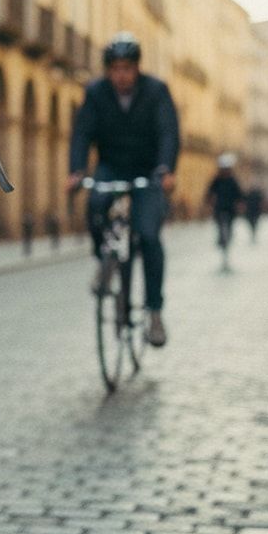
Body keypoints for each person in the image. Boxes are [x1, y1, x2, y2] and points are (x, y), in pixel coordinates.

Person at [68, 32, 179, 347]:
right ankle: (104, 260)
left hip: (148, 172)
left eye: (127, 68)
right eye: (115, 69)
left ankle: (155, 313)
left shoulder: (157, 92)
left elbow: (168, 132)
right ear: (107, 70)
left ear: (137, 68)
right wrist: (76, 171)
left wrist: (166, 169)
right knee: (96, 203)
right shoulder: (95, 93)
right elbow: (81, 134)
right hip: (111, 166)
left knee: (148, 235)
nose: (121, 75)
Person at [206, 153, 244, 256]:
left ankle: (227, 239)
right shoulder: (217, 180)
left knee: (230, 226)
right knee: (219, 226)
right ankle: (221, 239)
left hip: (230, 208)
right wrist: (209, 202)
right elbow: (209, 192)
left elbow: (239, 194)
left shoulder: (233, 181)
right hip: (219, 207)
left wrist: (240, 204)